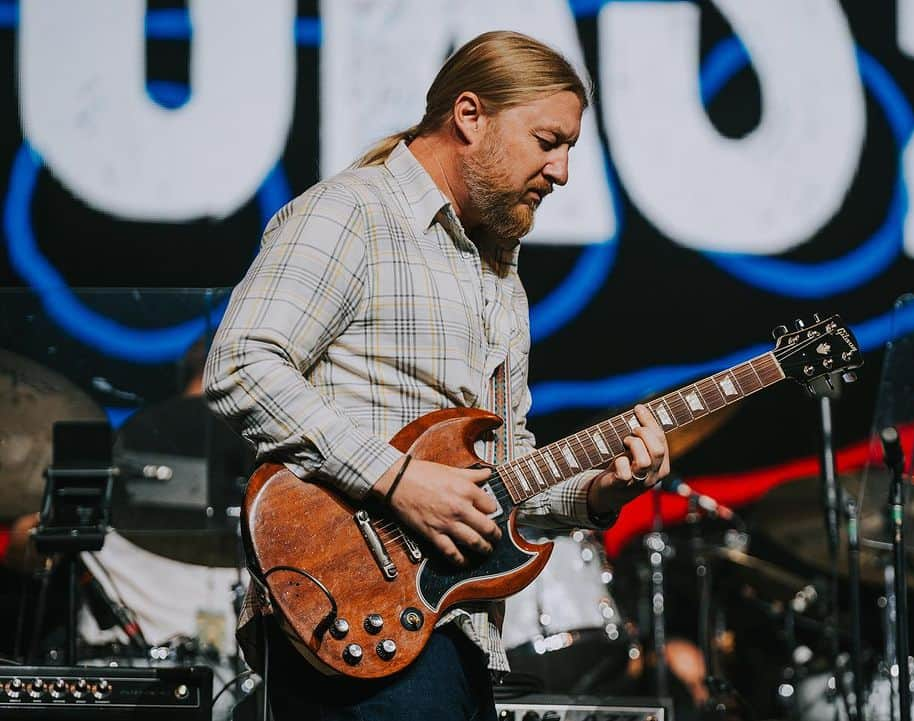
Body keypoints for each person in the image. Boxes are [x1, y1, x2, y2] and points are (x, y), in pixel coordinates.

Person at [204, 31, 671, 721]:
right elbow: (240, 364)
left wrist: (602, 491)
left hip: (452, 628)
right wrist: (395, 477)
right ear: (470, 115)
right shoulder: (351, 212)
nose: (563, 170)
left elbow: (503, 482)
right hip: (347, 609)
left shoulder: (500, 274)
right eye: (548, 140)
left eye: (569, 147)